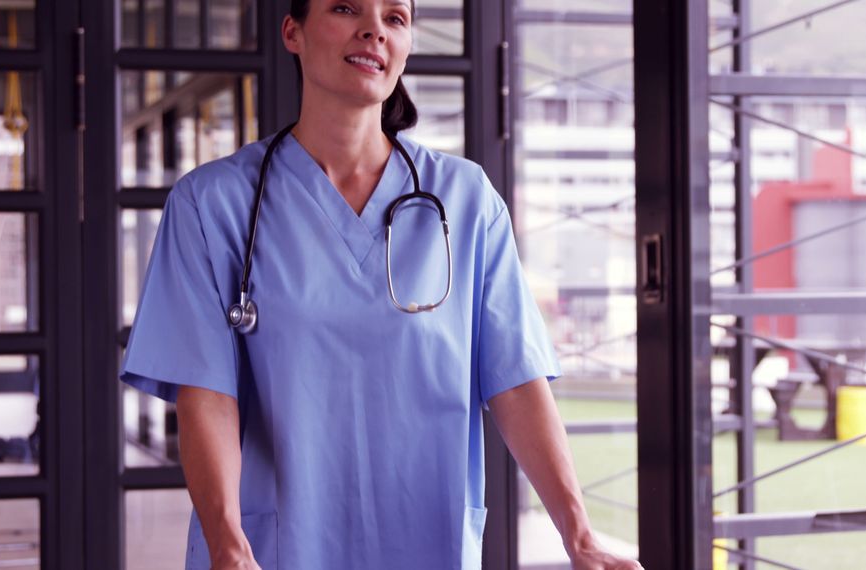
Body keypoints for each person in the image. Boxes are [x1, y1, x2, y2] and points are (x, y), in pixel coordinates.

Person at [119, 1, 645, 568]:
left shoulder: (466, 201)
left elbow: (516, 381)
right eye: (346, 8)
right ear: (292, 32)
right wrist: (227, 542)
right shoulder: (212, 204)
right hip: (270, 552)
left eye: (395, 17)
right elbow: (207, 394)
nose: (374, 29)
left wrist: (579, 535)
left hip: (426, 541)